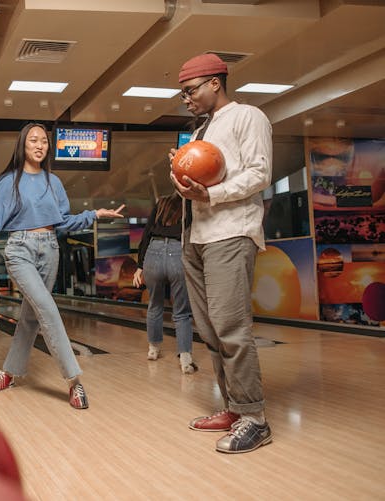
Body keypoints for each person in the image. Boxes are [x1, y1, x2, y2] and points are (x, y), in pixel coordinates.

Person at [0, 123, 125, 409]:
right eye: (33, 140)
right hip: (20, 250)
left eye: (44, 142)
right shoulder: (9, 182)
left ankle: (10, 373)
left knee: (31, 318)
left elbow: (63, 223)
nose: (40, 145)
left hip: (50, 249)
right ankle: (74, 381)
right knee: (47, 308)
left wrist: (93, 214)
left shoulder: (54, 182)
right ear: (23, 145)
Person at [169, 53, 273, 453]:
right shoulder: (200, 132)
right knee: (211, 331)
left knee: (231, 327)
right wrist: (180, 173)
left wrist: (211, 193)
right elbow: (195, 179)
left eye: (190, 91)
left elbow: (259, 173)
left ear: (215, 83)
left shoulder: (249, 117)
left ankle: (255, 419)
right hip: (196, 236)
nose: (187, 99)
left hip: (230, 234)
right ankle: (233, 407)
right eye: (183, 94)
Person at [132, 192, 196, 374]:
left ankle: (153, 349)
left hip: (154, 251)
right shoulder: (190, 204)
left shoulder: (162, 202)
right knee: (182, 311)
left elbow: (146, 234)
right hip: (177, 252)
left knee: (154, 305)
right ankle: (185, 357)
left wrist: (139, 266)